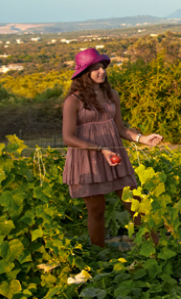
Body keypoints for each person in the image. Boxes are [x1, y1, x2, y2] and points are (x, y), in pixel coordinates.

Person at [62, 48, 163, 247]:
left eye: (103, 67)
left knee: (135, 204)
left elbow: (119, 128)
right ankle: (100, 254)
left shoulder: (111, 95)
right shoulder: (74, 100)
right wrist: (100, 149)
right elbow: (67, 138)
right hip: (88, 160)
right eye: (95, 68)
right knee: (97, 210)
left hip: (115, 156)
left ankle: (155, 248)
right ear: (84, 73)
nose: (102, 71)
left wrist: (142, 139)